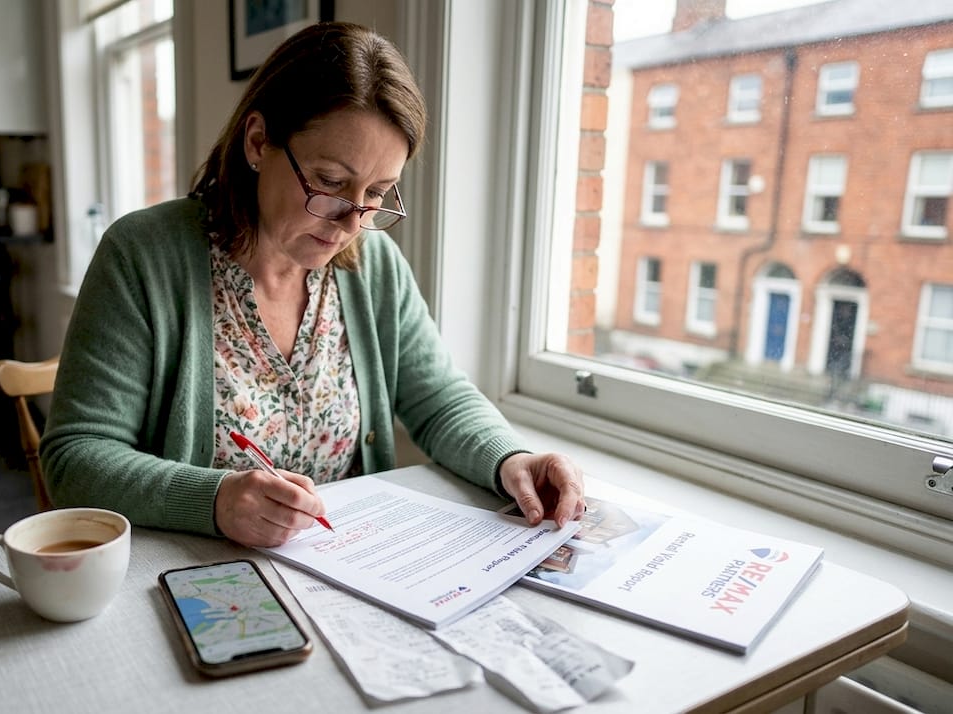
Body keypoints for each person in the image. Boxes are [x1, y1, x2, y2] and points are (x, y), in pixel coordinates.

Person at [41, 21, 584, 548]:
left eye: (379, 192)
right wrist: (215, 500)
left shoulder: (374, 266)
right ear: (258, 142)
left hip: (343, 568)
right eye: (330, 182)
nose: (353, 222)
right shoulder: (143, 256)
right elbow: (75, 456)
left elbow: (438, 398)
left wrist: (510, 458)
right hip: (193, 574)